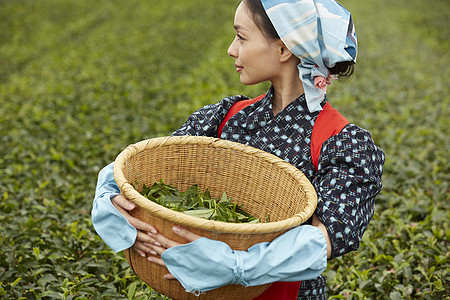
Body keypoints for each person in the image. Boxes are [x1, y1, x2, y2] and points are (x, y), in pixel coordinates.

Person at [92, 0, 385, 299]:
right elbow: (147, 166)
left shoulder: (342, 143)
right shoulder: (226, 117)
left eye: (242, 37)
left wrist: (238, 266)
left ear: (284, 49)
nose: (232, 49)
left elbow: (326, 239)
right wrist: (113, 201)